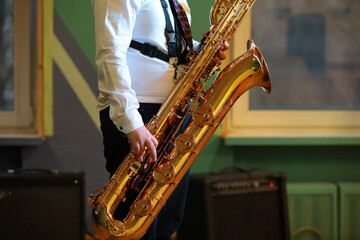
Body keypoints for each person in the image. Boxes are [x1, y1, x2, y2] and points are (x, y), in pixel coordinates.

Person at [92, 0, 228, 239]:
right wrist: (133, 123)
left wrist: (203, 51)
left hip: (174, 108)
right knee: (137, 225)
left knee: (167, 221)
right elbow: (110, 53)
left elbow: (164, 46)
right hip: (138, 113)